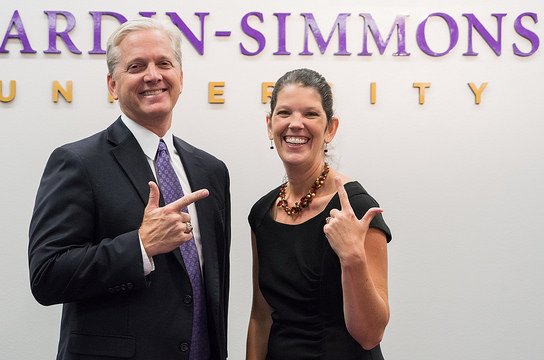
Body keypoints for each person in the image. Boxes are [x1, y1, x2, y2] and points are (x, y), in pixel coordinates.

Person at [28, 17, 230, 360]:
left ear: (181, 78)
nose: (153, 75)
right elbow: (47, 275)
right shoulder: (77, 162)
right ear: (112, 84)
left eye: (164, 63)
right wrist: (140, 246)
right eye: (136, 66)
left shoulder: (211, 171)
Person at [246, 68, 392, 360]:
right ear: (269, 125)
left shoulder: (357, 208)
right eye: (284, 113)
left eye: (310, 114)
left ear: (330, 128)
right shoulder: (262, 213)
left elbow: (370, 334)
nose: (295, 124)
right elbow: (261, 316)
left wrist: (353, 258)